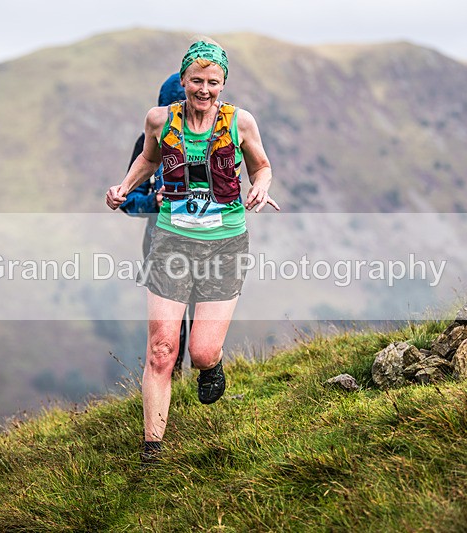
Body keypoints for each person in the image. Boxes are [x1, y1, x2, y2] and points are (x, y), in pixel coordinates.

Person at [105, 39, 279, 462]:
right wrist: (125, 188)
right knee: (162, 348)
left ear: (223, 84)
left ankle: (210, 365)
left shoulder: (241, 123)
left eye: (212, 82)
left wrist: (260, 186)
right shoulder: (158, 121)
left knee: (201, 348)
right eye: (195, 81)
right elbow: (146, 161)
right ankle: (152, 449)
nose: (203, 89)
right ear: (182, 82)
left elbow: (261, 166)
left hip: (223, 243)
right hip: (170, 242)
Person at [120, 73, 191, 378]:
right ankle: (171, 384)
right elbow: (128, 198)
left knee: (204, 323)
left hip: (209, 241)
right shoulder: (148, 141)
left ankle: (207, 376)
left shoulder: (216, 139)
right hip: (161, 245)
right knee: (168, 329)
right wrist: (153, 203)